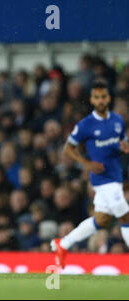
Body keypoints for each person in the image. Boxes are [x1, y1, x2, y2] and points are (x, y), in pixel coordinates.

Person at [51, 80, 129, 268]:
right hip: (102, 179)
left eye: (103, 96)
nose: (100, 100)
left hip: (116, 176)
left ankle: (64, 244)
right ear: (92, 100)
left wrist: (125, 147)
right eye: (97, 97)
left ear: (108, 98)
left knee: (101, 220)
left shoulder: (118, 120)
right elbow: (68, 148)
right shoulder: (86, 125)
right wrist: (87, 164)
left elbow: (122, 142)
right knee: (125, 217)